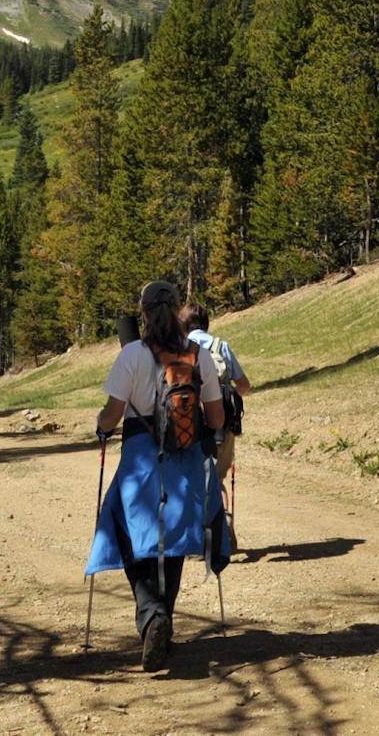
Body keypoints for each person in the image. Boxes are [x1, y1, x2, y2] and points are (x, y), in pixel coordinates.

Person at [86, 280, 231, 671]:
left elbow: (112, 415)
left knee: (127, 531)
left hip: (140, 461)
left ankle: (152, 616)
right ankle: (160, 616)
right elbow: (216, 418)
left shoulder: (132, 354)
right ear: (178, 309)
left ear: (144, 313)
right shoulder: (197, 355)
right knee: (176, 536)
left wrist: (100, 427)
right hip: (185, 460)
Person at [183, 302, 251, 483]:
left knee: (191, 479)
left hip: (187, 425)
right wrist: (228, 395)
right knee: (216, 479)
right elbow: (244, 385)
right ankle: (219, 508)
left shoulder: (180, 349)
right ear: (206, 324)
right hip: (222, 425)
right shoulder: (221, 346)